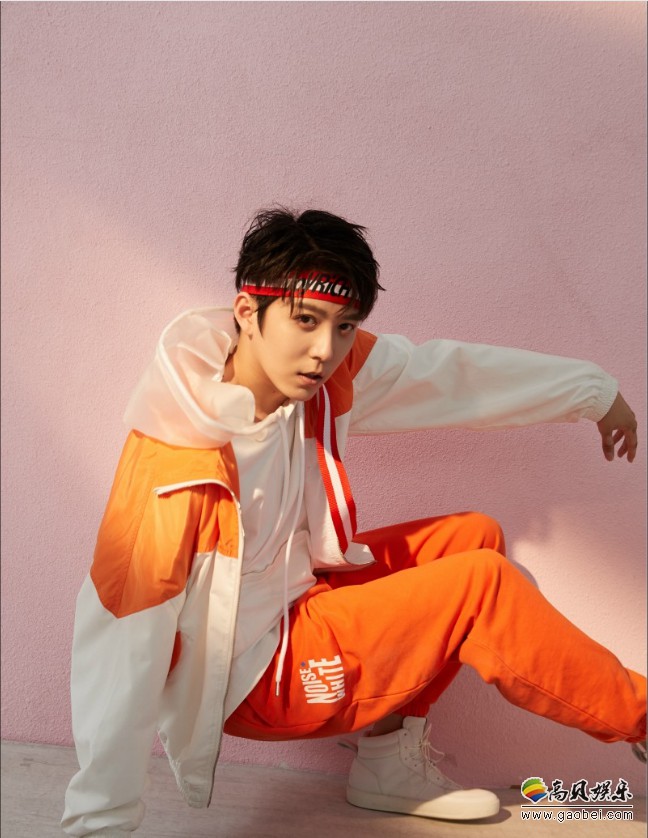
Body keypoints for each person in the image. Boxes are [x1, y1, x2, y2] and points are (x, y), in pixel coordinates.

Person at [62, 208, 646, 836]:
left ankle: (388, 768)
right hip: (256, 677)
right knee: (482, 584)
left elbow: (447, 372)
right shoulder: (176, 467)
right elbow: (119, 645)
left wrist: (594, 394)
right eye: (305, 320)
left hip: (292, 600)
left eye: (344, 327)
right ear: (247, 312)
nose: (324, 350)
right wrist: (101, 820)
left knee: (471, 537)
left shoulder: (317, 376)